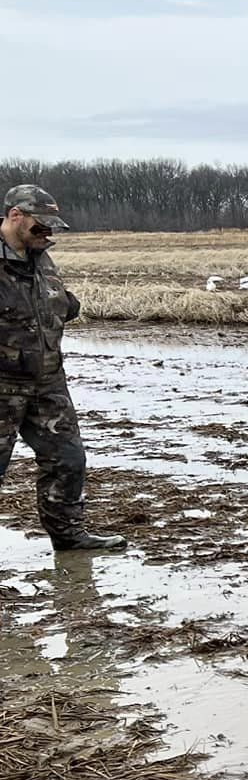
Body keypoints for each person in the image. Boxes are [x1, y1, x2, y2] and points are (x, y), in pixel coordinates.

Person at [0, 183, 124, 551]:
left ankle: (69, 538)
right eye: (42, 225)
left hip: (48, 382)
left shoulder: (42, 259)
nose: (48, 233)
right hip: (2, 386)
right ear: (15, 216)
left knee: (68, 461)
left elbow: (59, 305)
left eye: (53, 226)